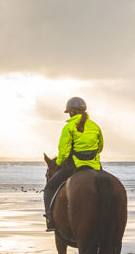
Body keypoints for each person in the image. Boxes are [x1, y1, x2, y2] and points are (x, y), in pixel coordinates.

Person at [43, 96, 104, 230]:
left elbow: (64, 152)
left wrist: (59, 163)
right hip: (95, 166)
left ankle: (50, 220)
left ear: (70, 112)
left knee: (48, 189)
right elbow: (100, 147)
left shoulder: (69, 127)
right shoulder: (95, 126)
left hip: (75, 167)